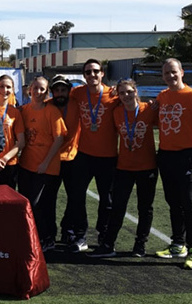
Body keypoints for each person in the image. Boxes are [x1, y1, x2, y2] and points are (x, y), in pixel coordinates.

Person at [154, 58, 192, 270]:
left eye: (173, 72)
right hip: (166, 156)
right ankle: (177, 244)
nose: (170, 76)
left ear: (181, 72)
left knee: (189, 203)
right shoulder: (162, 96)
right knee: (173, 202)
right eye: (166, 73)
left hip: (187, 157)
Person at [88, 78, 158, 258]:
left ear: (136, 91)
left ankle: (140, 244)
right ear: (117, 95)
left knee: (145, 207)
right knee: (118, 206)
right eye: (122, 93)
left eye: (129, 91)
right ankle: (108, 244)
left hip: (147, 167)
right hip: (124, 167)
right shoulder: (116, 112)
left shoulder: (148, 109)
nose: (126, 95)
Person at [68, 59, 120, 252]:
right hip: (84, 154)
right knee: (77, 196)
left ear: (102, 73)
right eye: (88, 72)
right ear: (84, 76)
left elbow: (132, 100)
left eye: (95, 71)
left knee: (107, 200)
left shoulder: (113, 95)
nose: (92, 75)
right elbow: (61, 97)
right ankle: (81, 236)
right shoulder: (78, 93)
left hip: (108, 157)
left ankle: (103, 235)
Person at [18, 76, 67, 251]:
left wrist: (46, 162)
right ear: (29, 89)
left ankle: (48, 238)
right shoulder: (23, 110)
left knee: (41, 203)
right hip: (26, 165)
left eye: (42, 89)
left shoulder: (51, 111)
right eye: (36, 88)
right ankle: (33, 236)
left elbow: (59, 138)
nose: (38, 92)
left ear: (46, 92)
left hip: (46, 167)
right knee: (27, 203)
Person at [46, 75, 81, 246]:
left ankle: (68, 230)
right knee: (49, 199)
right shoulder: (47, 106)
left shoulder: (77, 104)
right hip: (52, 159)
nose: (60, 93)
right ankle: (49, 234)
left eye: (63, 90)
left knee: (74, 197)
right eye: (57, 90)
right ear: (52, 92)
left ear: (69, 90)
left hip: (72, 157)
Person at [0, 75, 25, 189]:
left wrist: (5, 159)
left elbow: (21, 142)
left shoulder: (15, 112)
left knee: (8, 201)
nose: (5, 90)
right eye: (1, 86)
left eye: (8, 87)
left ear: (12, 90)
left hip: (9, 163)